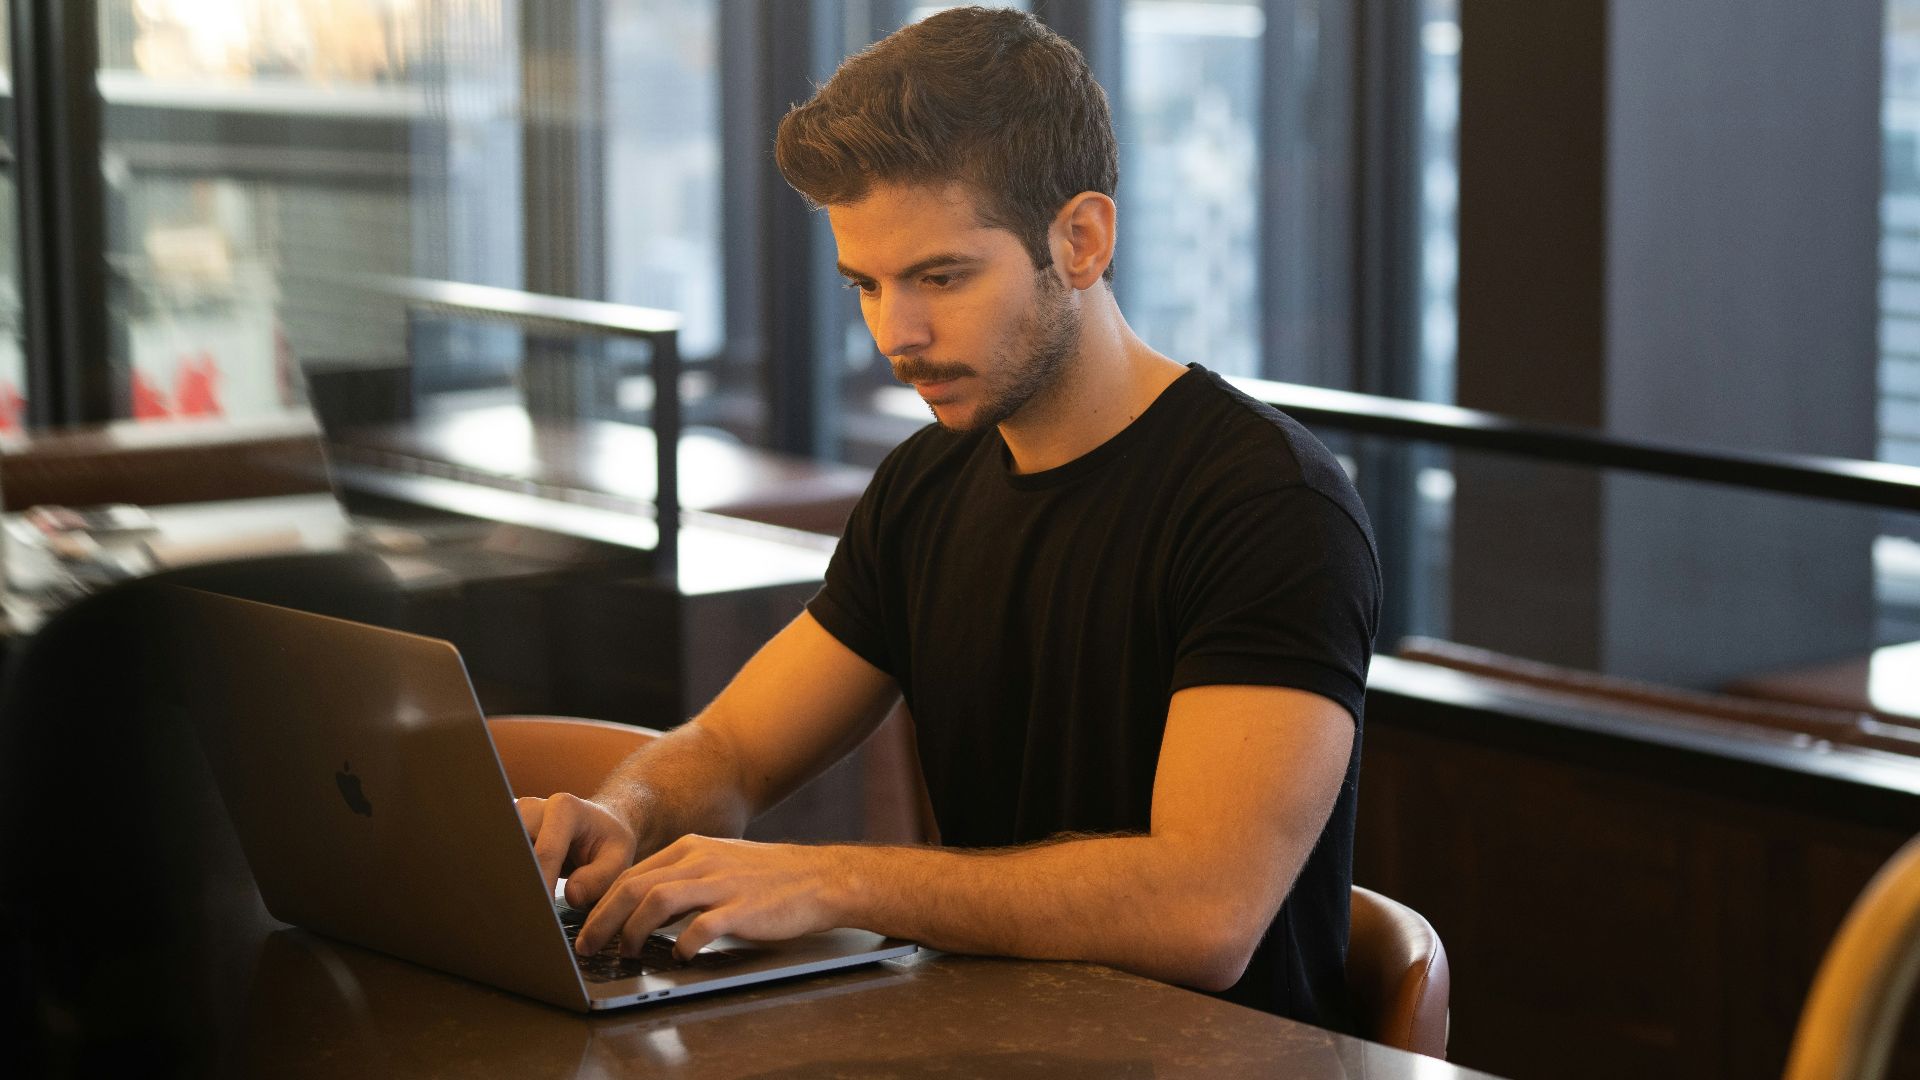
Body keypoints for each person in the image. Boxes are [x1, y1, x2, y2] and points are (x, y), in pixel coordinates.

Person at [517, 5, 1379, 1030]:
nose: (897, 332)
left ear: (1083, 239)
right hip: (988, 1042)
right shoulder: (926, 485)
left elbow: (1204, 911)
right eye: (866, 285)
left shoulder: (1270, 504)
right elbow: (735, 752)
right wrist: (622, 813)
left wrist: (834, 881)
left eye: (939, 276)